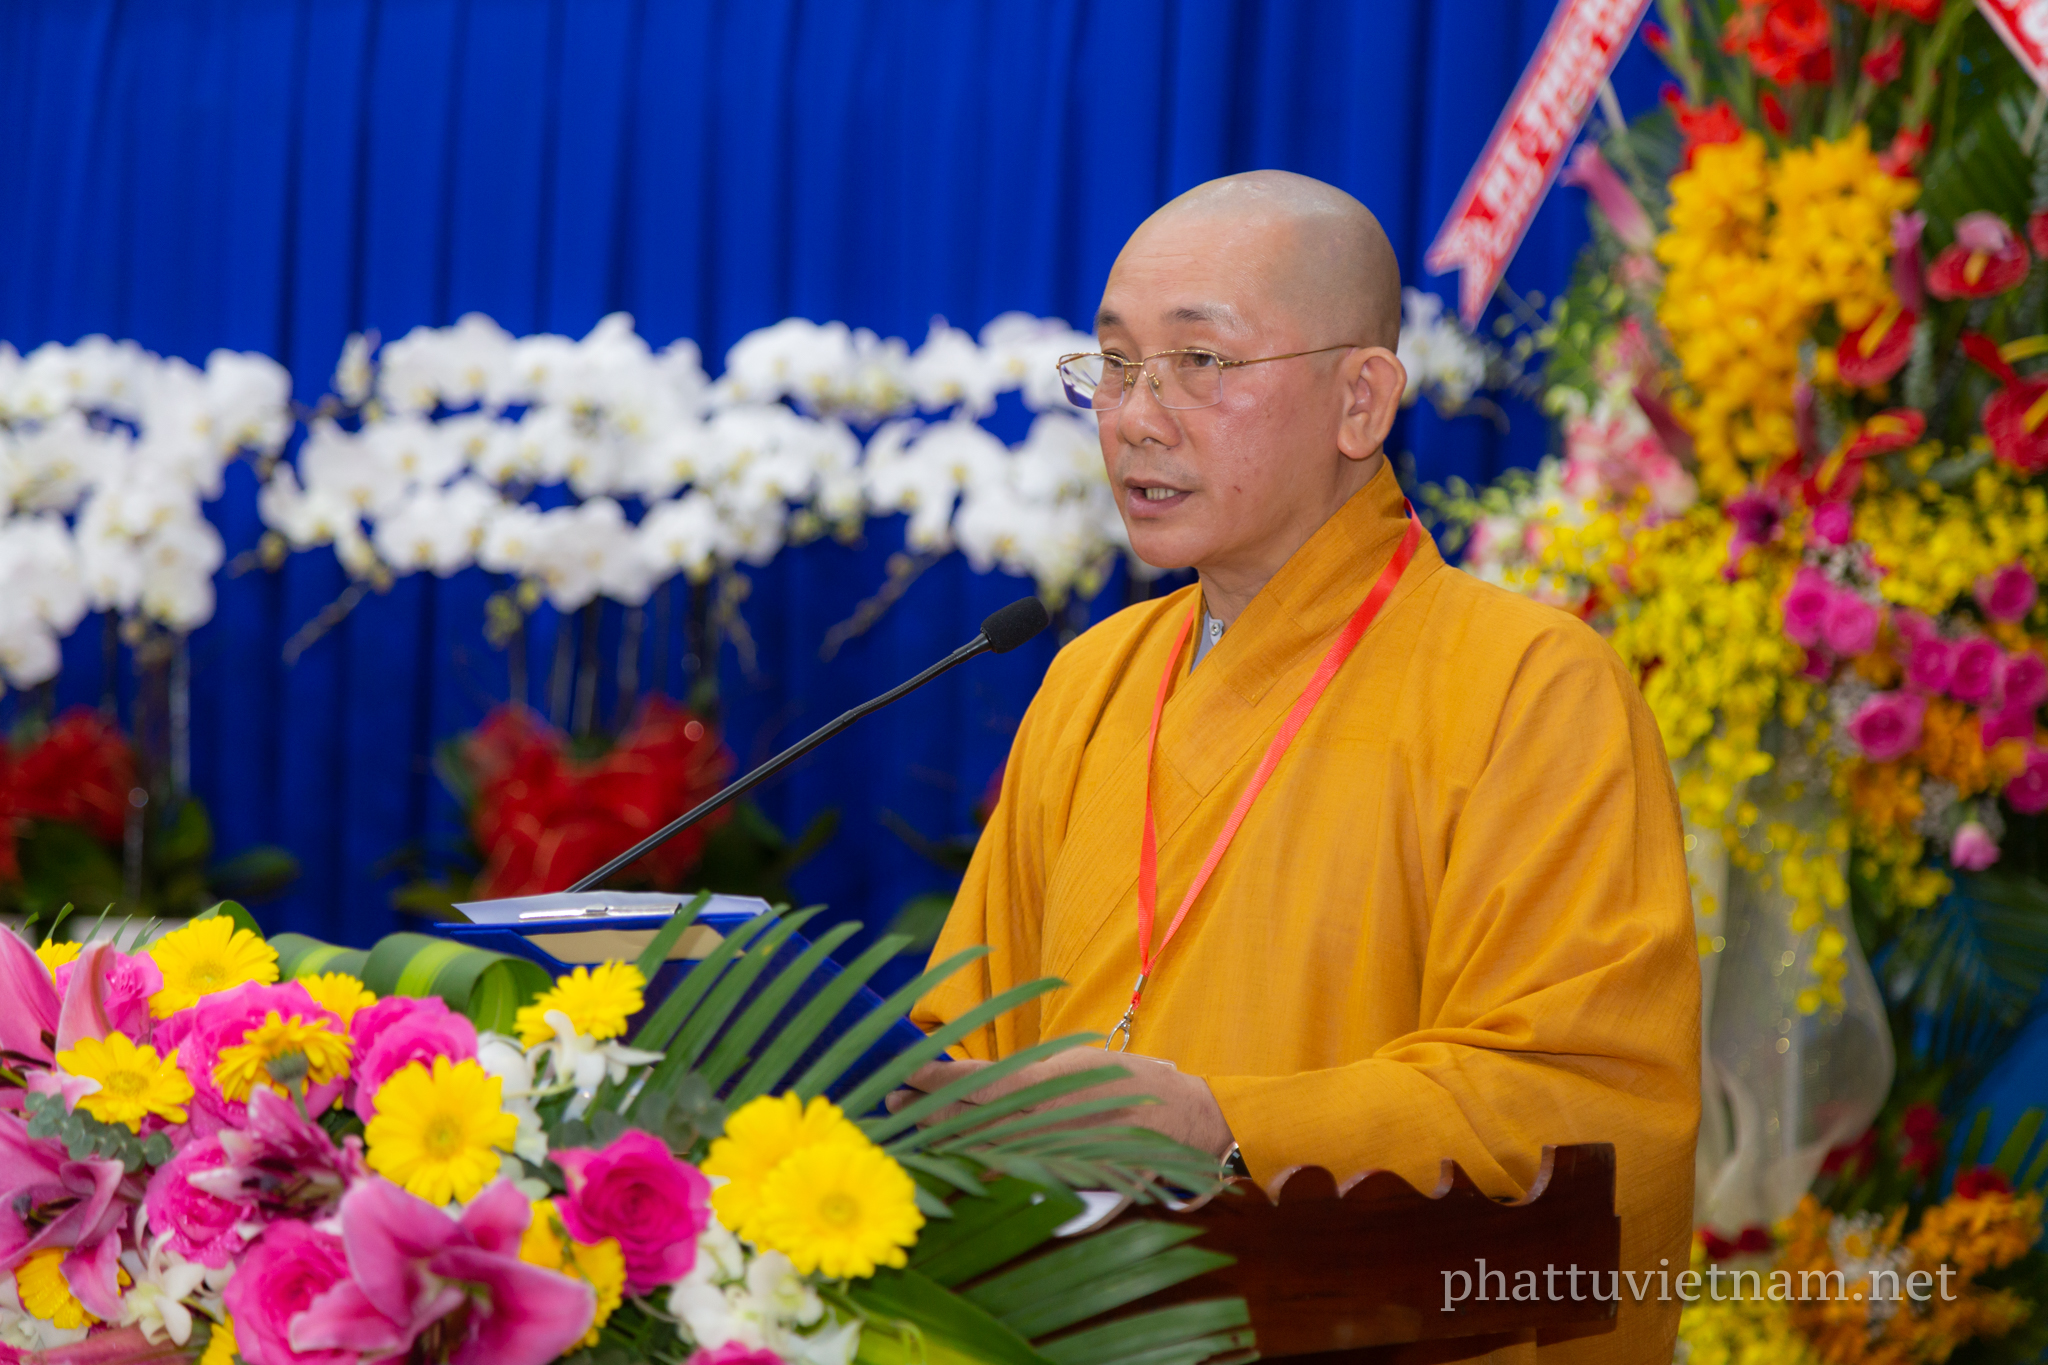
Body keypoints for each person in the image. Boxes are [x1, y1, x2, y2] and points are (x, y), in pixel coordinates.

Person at [901, 170, 1699, 1364]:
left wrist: (1223, 1125)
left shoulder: (1530, 686)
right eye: (1113, 363)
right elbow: (964, 1037)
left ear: (1358, 401)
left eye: (1200, 362)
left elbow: (1587, 1108)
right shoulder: (1089, 680)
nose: (1134, 417)